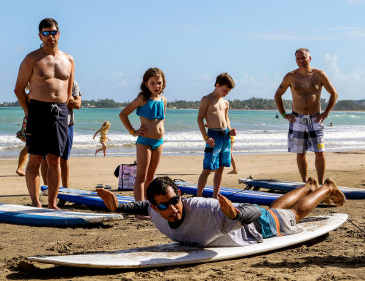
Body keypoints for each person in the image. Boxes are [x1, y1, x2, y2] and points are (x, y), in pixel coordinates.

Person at [97, 176, 345, 247]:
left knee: (291, 216)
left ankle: (326, 188)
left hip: (256, 226)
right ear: (155, 207)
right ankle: (309, 185)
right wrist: (119, 205)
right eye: (163, 205)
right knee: (274, 208)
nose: (171, 209)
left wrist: (235, 215)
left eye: (174, 201)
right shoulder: (155, 210)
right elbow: (142, 206)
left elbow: (256, 212)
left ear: (180, 196)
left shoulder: (207, 209)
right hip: (242, 218)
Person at [14, 18, 75, 209]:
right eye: (46, 33)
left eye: (54, 32)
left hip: (60, 111)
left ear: (59, 33)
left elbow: (69, 90)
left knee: (55, 159)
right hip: (37, 110)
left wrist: (62, 109)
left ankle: (52, 202)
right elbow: (19, 89)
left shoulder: (69, 59)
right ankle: (36, 202)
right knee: (35, 158)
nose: (51, 37)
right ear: (40, 35)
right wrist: (28, 112)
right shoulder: (32, 59)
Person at [274, 48, 338, 185]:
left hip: (315, 118)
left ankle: (320, 183)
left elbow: (334, 93)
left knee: (319, 151)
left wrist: (326, 113)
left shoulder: (319, 74)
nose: (301, 61)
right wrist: (284, 114)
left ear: (310, 58)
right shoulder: (290, 76)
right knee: (300, 152)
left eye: (303, 58)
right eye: (298, 59)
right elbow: (277, 95)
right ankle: (305, 182)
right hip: (297, 119)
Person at [119, 67, 167, 203]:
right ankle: (139, 208)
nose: (156, 86)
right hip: (144, 142)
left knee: (151, 177)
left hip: (159, 142)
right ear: (146, 83)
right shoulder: (142, 98)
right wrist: (133, 131)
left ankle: (149, 205)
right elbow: (123, 114)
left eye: (159, 83)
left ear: (163, 83)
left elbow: (162, 119)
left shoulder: (163, 100)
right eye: (152, 83)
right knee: (141, 177)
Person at [196, 73, 236, 199]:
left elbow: (226, 119)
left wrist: (230, 130)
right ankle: (198, 196)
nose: (226, 93)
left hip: (225, 136)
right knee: (207, 169)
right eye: (225, 90)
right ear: (217, 85)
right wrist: (205, 138)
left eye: (228, 91)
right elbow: (199, 119)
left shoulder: (225, 103)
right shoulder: (207, 99)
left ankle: (215, 196)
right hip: (213, 136)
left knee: (220, 168)